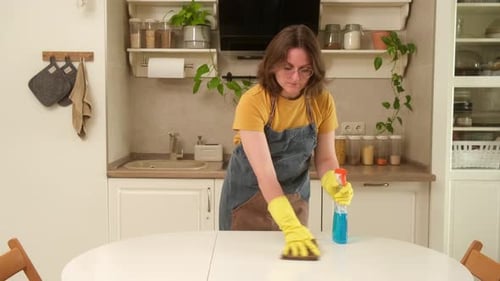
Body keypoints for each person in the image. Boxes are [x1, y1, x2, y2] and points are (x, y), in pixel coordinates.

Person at [218, 24, 354, 259]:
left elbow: (325, 157)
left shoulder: (321, 101)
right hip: (247, 202)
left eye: (305, 70)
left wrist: (332, 179)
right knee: (241, 265)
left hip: (294, 199)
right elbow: (265, 174)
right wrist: (289, 225)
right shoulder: (254, 101)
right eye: (287, 67)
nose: (295, 78)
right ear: (272, 65)